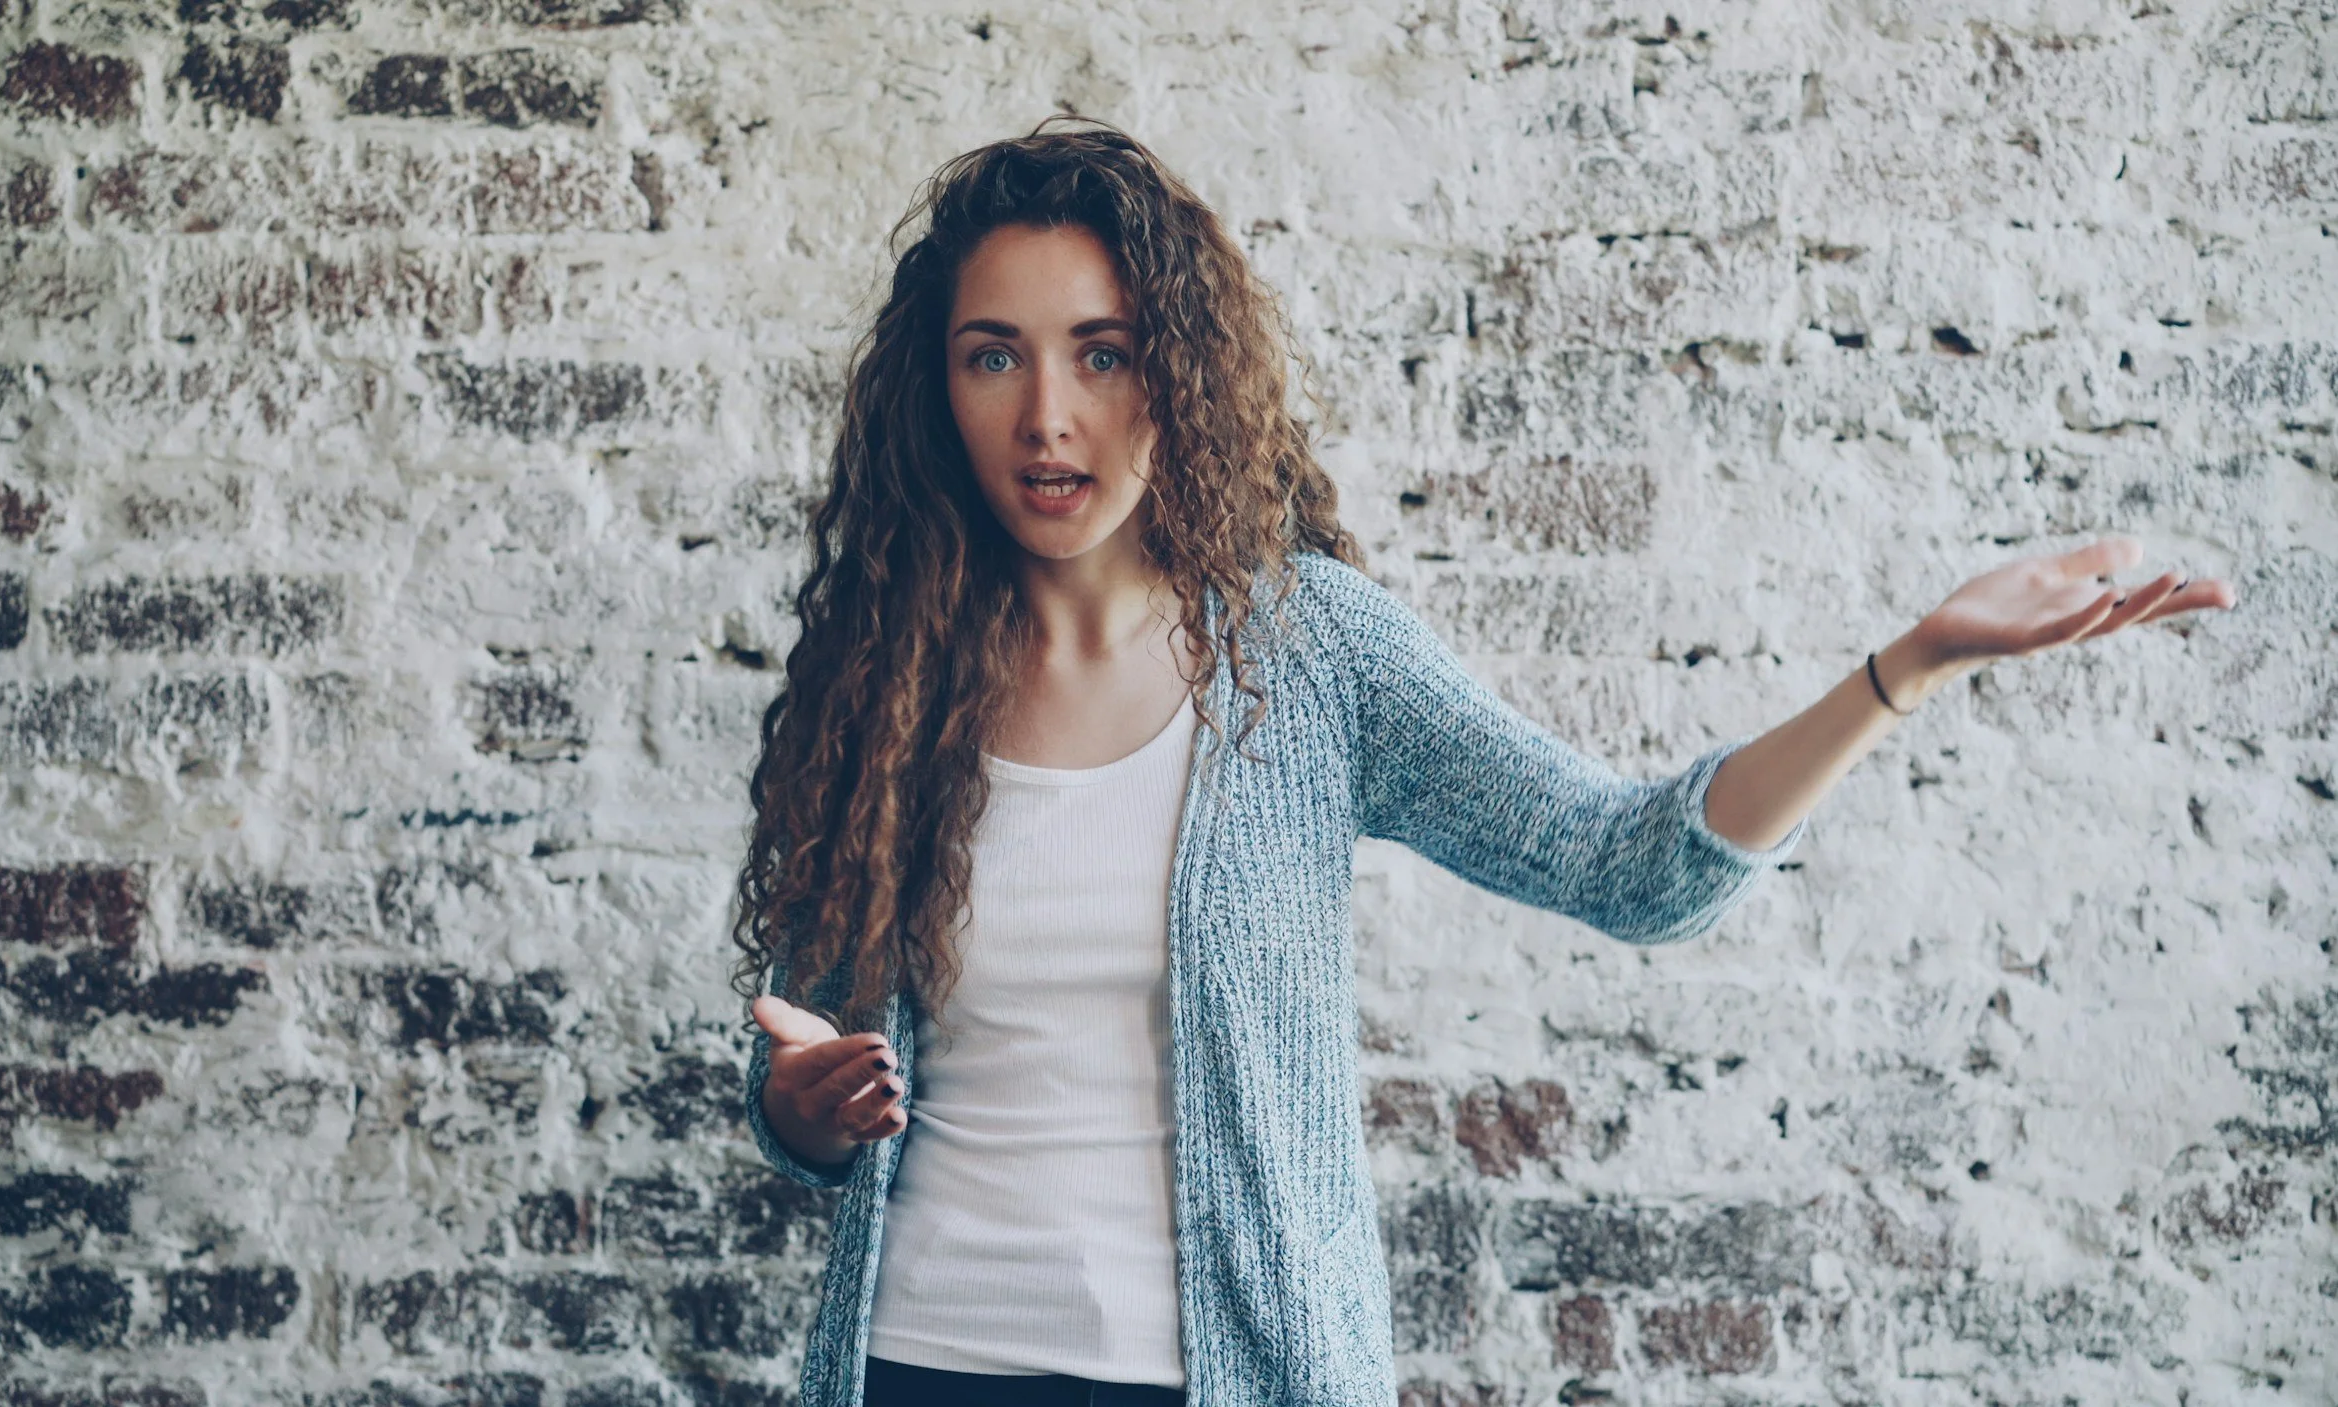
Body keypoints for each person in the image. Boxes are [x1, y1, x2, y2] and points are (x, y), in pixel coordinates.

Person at [726, 118, 2236, 1407]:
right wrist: (802, 1106)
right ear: (942, 385)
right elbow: (793, 1074)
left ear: (1173, 373)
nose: (1047, 416)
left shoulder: (1307, 655)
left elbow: (1626, 864)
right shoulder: (892, 676)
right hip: (914, 1357)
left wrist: (1905, 669)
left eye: (1100, 354)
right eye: (996, 357)